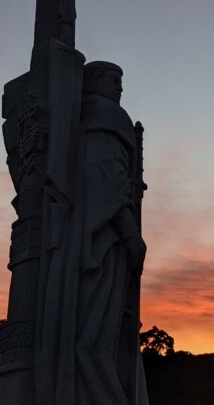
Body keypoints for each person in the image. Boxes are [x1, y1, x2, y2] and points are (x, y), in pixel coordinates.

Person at [74, 61, 147, 405]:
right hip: (104, 240)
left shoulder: (87, 117)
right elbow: (106, 177)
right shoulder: (104, 114)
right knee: (96, 339)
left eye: (121, 80)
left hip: (96, 236)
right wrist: (130, 232)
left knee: (101, 333)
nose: (119, 87)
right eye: (113, 79)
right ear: (92, 80)